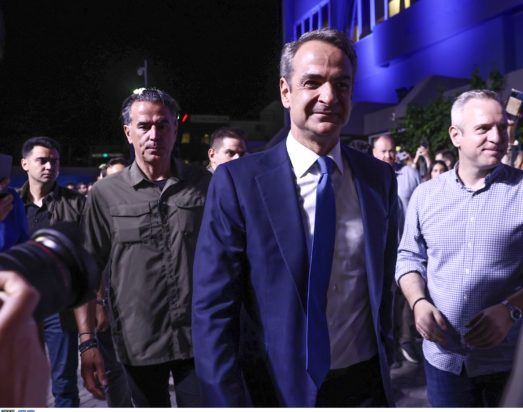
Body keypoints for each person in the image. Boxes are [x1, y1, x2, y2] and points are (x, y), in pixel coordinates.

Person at [192, 28, 398, 407]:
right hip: (277, 389)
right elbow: (213, 309)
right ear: (285, 92)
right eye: (312, 83)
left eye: (342, 84)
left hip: (365, 384)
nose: (329, 97)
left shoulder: (378, 178)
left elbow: (382, 281)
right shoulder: (239, 183)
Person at [76, 88, 210, 407]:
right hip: (138, 341)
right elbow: (86, 271)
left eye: (163, 125)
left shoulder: (205, 185)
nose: (154, 134)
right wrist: (87, 342)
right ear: (128, 132)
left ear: (175, 128)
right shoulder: (105, 194)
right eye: (144, 126)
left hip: (199, 339)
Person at [396, 89, 523, 407]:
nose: (497, 137)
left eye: (501, 127)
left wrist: (512, 309)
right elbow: (409, 256)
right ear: (456, 135)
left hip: (508, 362)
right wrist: (418, 302)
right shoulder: (425, 196)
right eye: (483, 128)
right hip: (443, 361)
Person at [19, 136, 85, 407]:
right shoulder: (11, 204)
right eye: (42, 160)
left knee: (64, 383)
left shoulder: (76, 203)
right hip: (21, 305)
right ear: (25, 164)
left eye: (54, 161)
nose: (49, 166)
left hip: (60, 306)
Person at [371, 134, 421, 365]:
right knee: (383, 297)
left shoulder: (409, 174)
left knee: (406, 295)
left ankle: (405, 340)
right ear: (374, 152)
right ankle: (385, 344)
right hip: (379, 251)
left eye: (391, 151)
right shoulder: (366, 176)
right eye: (383, 151)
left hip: (407, 248)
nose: (388, 155)